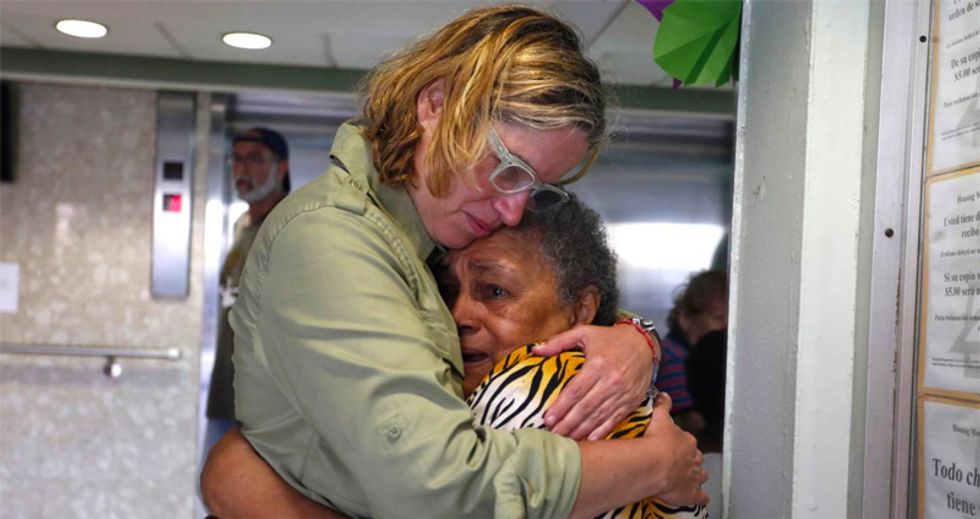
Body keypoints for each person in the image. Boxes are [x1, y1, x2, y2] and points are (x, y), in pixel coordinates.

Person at [214, 5, 707, 518]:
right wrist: (651, 465)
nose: (514, 209)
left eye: (536, 185)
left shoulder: (422, 235)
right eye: (507, 167)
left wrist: (634, 338)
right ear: (436, 104)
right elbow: (439, 488)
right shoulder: (332, 240)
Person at [203, 194, 707, 518]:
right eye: (445, 292)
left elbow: (234, 475)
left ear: (582, 310)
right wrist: (637, 335)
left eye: (495, 291)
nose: (459, 314)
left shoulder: (549, 400)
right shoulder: (430, 391)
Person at [203, 127, 291, 456]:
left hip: (261, 408)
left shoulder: (288, 226)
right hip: (225, 396)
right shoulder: (244, 226)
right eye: (237, 159)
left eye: (255, 159)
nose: (242, 168)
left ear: (281, 167)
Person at [657, 270, 729, 433]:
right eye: (719, 318)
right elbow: (691, 422)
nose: (727, 327)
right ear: (686, 318)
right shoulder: (673, 360)